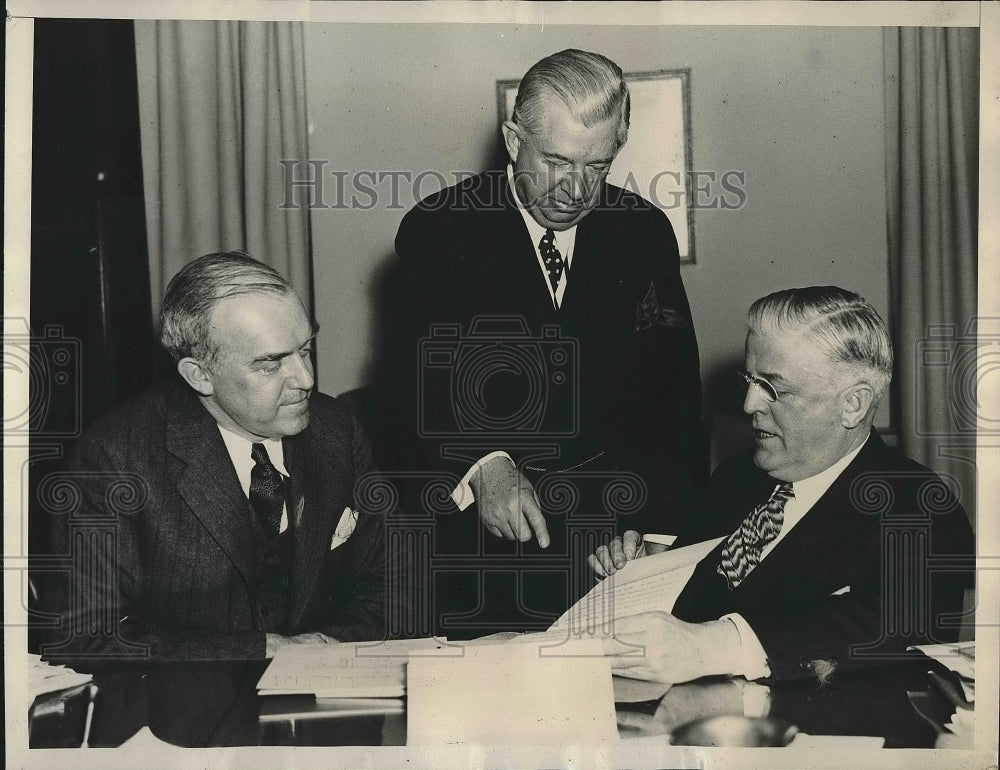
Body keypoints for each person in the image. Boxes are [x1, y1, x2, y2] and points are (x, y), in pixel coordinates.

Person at [386, 49, 704, 636]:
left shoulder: (643, 233)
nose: (575, 189)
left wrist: (658, 530)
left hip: (613, 556)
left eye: (597, 166)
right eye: (555, 162)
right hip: (480, 563)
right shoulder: (439, 230)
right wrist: (483, 463)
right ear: (513, 140)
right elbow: (415, 383)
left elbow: (676, 399)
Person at [589, 287, 974, 683]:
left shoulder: (921, 507)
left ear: (853, 404)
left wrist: (711, 646)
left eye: (773, 388)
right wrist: (642, 573)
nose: (749, 404)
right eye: (751, 380)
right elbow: (693, 591)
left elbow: (895, 627)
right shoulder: (738, 476)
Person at [47, 252, 394, 663]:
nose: (306, 379)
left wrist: (327, 651)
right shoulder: (113, 459)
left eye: (305, 349)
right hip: (183, 719)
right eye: (270, 364)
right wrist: (263, 650)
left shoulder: (337, 430)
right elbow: (90, 638)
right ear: (200, 375)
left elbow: (392, 584)